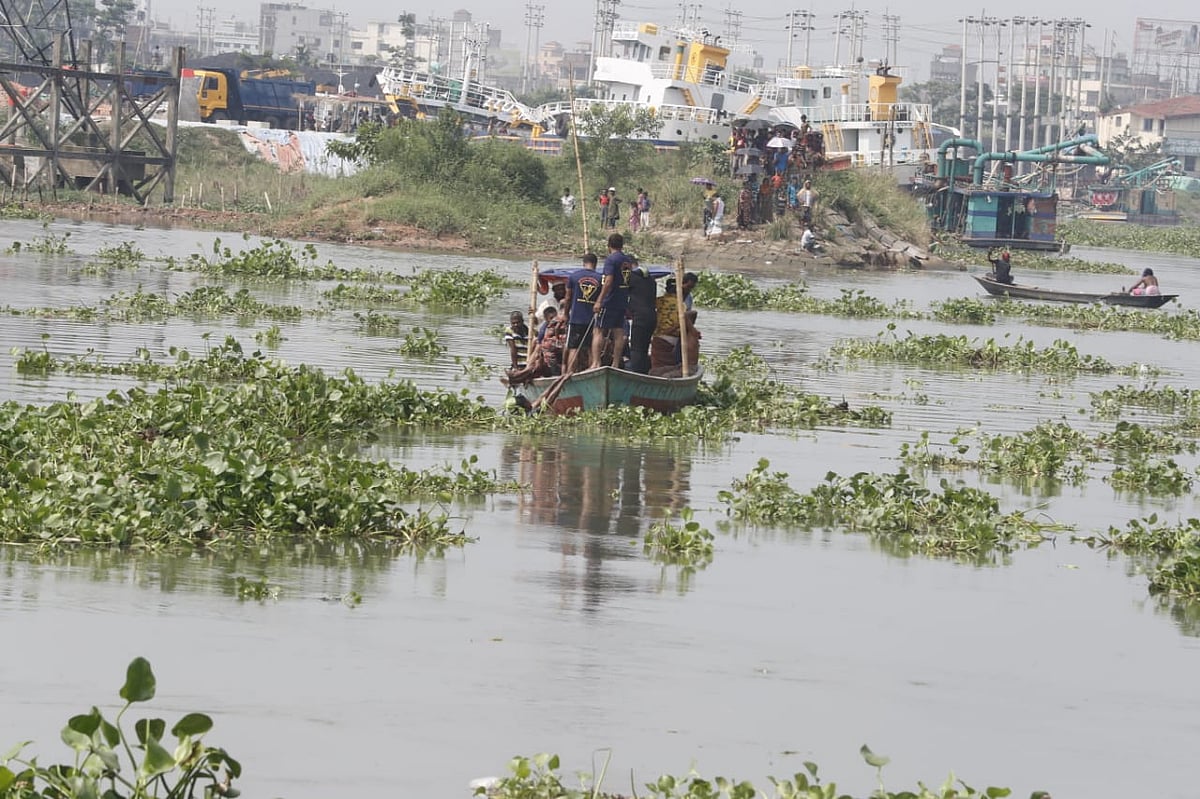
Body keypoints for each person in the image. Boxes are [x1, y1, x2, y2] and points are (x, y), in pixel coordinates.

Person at [592, 233, 630, 368]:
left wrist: (599, 300)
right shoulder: (627, 260)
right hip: (622, 300)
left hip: (610, 300)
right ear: (622, 245)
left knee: (598, 330)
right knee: (619, 331)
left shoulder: (611, 260)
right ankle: (615, 363)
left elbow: (608, 281)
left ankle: (596, 362)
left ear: (609, 245)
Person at [565, 253, 600, 372]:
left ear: (583, 263)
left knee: (573, 348)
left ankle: (570, 373)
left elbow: (568, 298)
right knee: (591, 349)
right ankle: (593, 372)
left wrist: (565, 314)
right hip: (593, 320)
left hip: (576, 318)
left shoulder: (574, 276)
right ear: (595, 264)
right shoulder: (601, 279)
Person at [625, 256, 657, 374]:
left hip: (640, 317)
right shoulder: (651, 279)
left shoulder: (631, 278)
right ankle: (643, 372)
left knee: (636, 348)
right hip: (652, 317)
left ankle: (635, 374)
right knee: (644, 348)